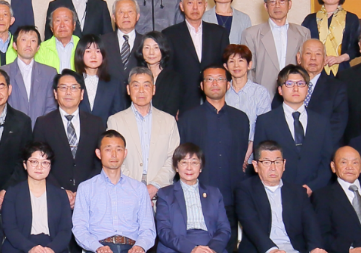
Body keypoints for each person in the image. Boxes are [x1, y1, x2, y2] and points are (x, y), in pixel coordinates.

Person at [176, 68, 250, 231]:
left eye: (220, 79)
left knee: (229, 244)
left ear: (228, 85)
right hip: (197, 197)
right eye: (209, 79)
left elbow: (240, 154)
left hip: (232, 197)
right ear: (202, 86)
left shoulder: (241, 119)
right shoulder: (188, 119)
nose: (215, 83)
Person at [254, 65, 339, 195]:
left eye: (300, 84)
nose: (295, 88)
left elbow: (327, 160)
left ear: (307, 89)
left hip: (315, 193)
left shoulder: (321, 122)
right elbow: (261, 160)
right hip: (277, 192)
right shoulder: (265, 121)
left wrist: (312, 186)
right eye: (289, 84)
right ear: (280, 90)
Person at [108, 67, 180, 195]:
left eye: (146, 85)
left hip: (161, 191)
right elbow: (114, 158)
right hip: (125, 191)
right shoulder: (115, 121)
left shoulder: (169, 121)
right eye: (136, 85)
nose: (141, 90)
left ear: (153, 89)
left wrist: (155, 186)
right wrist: (136, 188)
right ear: (128, 90)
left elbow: (173, 158)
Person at [34, 70, 105, 199]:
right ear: (55, 93)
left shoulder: (96, 123)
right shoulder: (43, 123)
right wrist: (60, 190)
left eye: (73, 87)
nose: (68, 92)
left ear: (82, 94)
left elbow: (100, 161)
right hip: (54, 195)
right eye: (63, 87)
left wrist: (84, 190)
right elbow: (39, 161)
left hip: (90, 194)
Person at [162, 0, 229, 97]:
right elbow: (168, 72)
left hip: (214, 98)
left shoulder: (219, 33)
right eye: (190, 2)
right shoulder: (169, 35)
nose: (195, 7)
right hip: (183, 98)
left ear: (205, 6)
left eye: (199, 2)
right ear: (181, 6)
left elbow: (225, 67)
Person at [241, 0, 311, 87]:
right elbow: (248, 70)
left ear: (289, 4)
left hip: (294, 91)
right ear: (266, 6)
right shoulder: (251, 34)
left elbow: (307, 67)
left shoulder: (303, 33)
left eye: (282, 1)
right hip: (263, 92)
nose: (277, 5)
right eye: (272, 1)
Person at [287, 38, 350, 140]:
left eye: (318, 54)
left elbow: (337, 126)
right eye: (308, 53)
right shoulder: (287, 84)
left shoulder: (337, 88)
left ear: (325, 59)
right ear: (299, 58)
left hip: (323, 146)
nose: (313, 58)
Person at [302, 0, 360, 75]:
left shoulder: (351, 19)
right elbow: (302, 46)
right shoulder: (310, 19)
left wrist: (340, 58)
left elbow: (357, 47)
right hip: (314, 71)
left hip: (343, 71)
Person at [1, 26, 56, 120]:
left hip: (41, 127)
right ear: (14, 45)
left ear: (38, 47)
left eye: (33, 41)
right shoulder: (2, 73)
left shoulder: (50, 73)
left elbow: (51, 107)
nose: (28, 44)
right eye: (24, 40)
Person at [135, 31, 194, 116]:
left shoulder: (174, 79)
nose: (151, 52)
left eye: (156, 48)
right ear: (141, 51)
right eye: (147, 48)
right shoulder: (136, 76)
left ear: (163, 50)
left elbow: (171, 110)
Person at [223, 45, 273, 143]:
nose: (236, 65)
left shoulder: (260, 93)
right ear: (226, 66)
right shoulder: (222, 92)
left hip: (254, 147)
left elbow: (264, 125)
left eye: (241, 60)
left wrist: (251, 145)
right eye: (232, 61)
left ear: (249, 65)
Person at [76, 34, 127, 123]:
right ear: (80, 54)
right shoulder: (73, 82)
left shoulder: (114, 84)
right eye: (88, 51)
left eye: (98, 51)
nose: (93, 56)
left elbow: (118, 115)